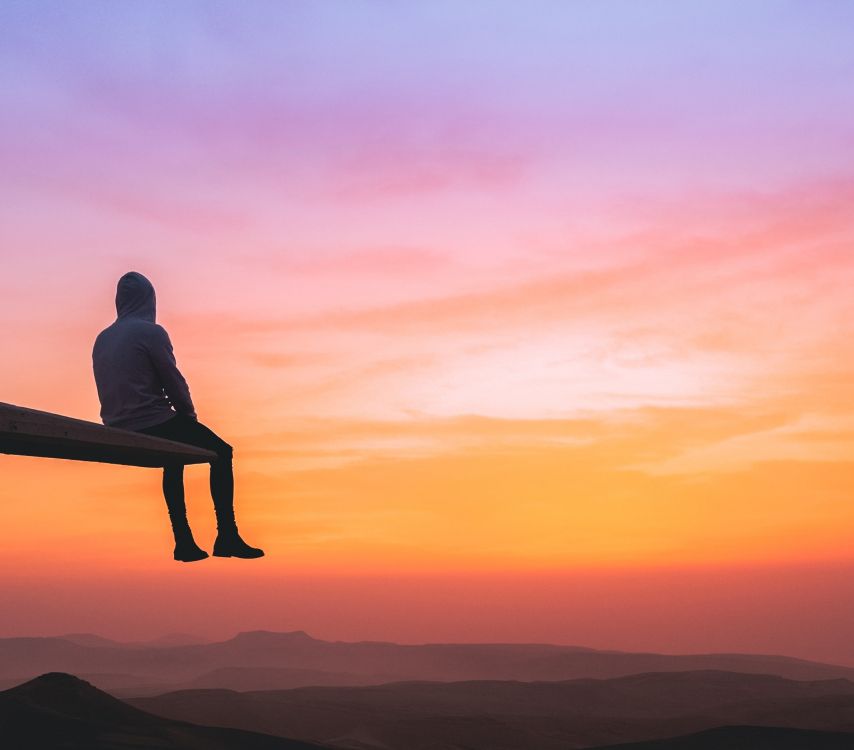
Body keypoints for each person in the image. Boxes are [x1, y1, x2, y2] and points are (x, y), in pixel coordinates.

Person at [92, 271, 264, 562]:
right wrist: (188, 414)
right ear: (150, 300)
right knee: (222, 452)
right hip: (149, 420)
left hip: (115, 422)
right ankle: (227, 535)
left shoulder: (103, 338)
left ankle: (183, 540)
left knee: (174, 456)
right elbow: (173, 380)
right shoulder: (151, 332)